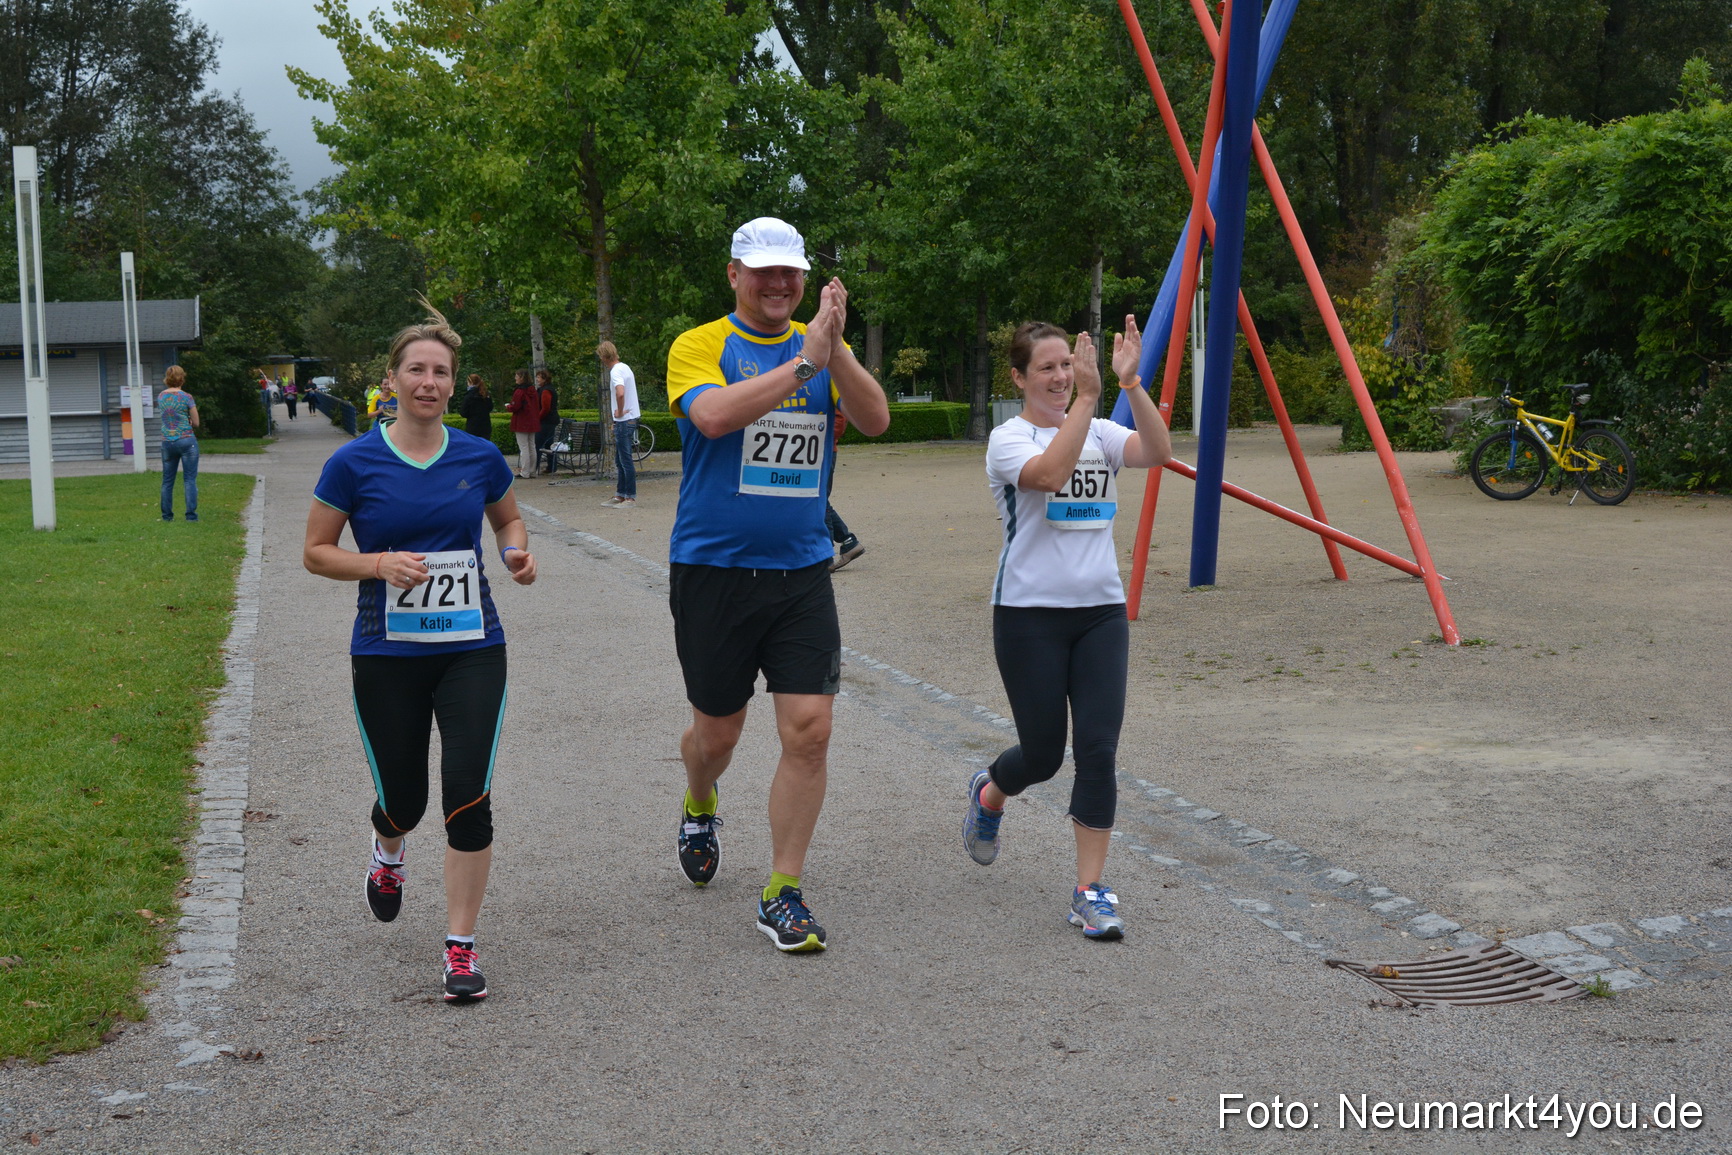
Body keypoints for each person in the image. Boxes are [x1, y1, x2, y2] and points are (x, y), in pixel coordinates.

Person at [664, 216, 890, 952]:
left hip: (800, 572)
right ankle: (701, 799)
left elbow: (877, 418)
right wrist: (802, 365)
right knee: (717, 732)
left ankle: (782, 889)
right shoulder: (699, 345)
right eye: (762, 271)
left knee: (810, 729)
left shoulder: (827, 348)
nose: (778, 283)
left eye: (789, 271)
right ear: (733, 274)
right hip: (713, 573)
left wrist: (833, 352)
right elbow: (714, 415)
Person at [303, 303, 538, 1003]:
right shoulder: (354, 461)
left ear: (452, 381)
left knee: (468, 796)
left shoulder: (478, 453)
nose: (429, 381)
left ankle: (460, 947)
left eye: (441, 371)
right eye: (417, 369)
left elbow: (509, 517)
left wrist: (516, 551)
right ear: (393, 379)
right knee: (404, 798)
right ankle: (388, 848)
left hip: (473, 645)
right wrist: (377, 565)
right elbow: (315, 552)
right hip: (386, 652)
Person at [961, 317, 1171, 940]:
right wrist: (1084, 397)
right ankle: (991, 792)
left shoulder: (1103, 431)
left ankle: (1090, 889)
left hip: (1101, 614)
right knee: (1046, 754)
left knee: (1099, 751)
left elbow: (1157, 453)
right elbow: (1050, 475)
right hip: (1029, 617)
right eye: (1047, 367)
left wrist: (1129, 385)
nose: (1061, 376)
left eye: (1067, 365)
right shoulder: (1008, 439)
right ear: (1020, 377)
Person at [158, 365, 200, 522]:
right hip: (187, 441)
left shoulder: (161, 396)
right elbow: (196, 422)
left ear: (167, 379)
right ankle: (191, 516)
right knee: (189, 479)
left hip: (167, 442)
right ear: (182, 378)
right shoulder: (187, 397)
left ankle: (167, 516)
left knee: (167, 480)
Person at [599, 341, 638, 508]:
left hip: (624, 420)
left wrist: (620, 412)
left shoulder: (615, 372)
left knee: (625, 459)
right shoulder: (625, 367)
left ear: (604, 357)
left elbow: (620, 393)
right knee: (620, 459)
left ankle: (629, 497)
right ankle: (620, 494)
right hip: (630, 418)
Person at [824, 411, 863, 570]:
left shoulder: (827, 386)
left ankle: (826, 557)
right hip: (811, 450)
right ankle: (848, 541)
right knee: (817, 500)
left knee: (818, 501)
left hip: (822, 450)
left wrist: (822, 440)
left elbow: (839, 420)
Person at [505, 369, 541, 478]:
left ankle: (525, 472)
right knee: (532, 446)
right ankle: (532, 471)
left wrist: (508, 406)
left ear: (521, 377)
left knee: (524, 447)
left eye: (517, 376)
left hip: (521, 421)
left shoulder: (519, 391)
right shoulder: (533, 390)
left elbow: (515, 407)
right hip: (532, 421)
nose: (515, 378)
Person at [534, 369, 560, 472]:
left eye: (539, 377)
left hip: (546, 421)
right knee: (549, 443)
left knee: (538, 443)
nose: (537, 379)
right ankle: (551, 466)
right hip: (551, 420)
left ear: (544, 379)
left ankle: (534, 466)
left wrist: (537, 418)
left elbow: (545, 408)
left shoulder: (545, 391)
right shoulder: (547, 389)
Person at [460, 373, 494, 441]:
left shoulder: (469, 396)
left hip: (473, 427)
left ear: (470, 383)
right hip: (485, 426)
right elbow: (490, 407)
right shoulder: (486, 394)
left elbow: (463, 412)